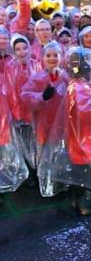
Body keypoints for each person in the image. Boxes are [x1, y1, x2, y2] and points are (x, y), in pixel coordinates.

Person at [39, 47, 91, 215]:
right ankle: (81, 200)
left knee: (80, 168)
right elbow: (88, 114)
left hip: (79, 137)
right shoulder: (80, 87)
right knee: (84, 170)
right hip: (83, 138)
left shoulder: (79, 85)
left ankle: (76, 198)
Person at [21, 41, 68, 195]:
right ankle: (48, 187)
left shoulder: (65, 77)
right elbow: (25, 95)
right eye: (48, 55)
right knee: (45, 157)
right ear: (43, 58)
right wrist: (41, 96)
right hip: (44, 125)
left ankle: (61, 184)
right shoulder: (37, 77)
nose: (52, 58)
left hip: (62, 125)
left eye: (56, 55)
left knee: (60, 154)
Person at [4, 34, 41, 186]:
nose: (22, 52)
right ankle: (28, 174)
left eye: (24, 48)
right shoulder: (10, 66)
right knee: (22, 145)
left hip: (35, 112)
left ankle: (37, 172)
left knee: (36, 144)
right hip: (18, 113)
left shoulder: (36, 64)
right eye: (17, 49)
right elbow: (10, 91)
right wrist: (16, 113)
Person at [0, 27, 28, 204]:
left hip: (6, 111)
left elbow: (11, 91)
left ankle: (5, 182)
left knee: (9, 149)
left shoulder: (10, 62)